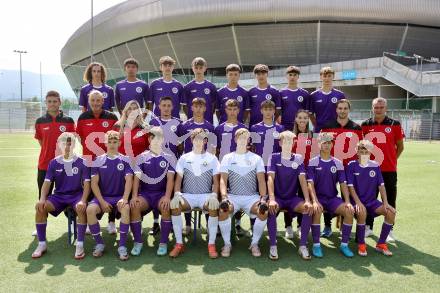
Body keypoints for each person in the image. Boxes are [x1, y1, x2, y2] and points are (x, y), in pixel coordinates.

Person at [31, 132, 90, 259]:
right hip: (59, 197)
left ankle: (80, 244)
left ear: (74, 145)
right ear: (59, 145)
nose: (67, 146)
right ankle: (42, 244)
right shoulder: (53, 162)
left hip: (76, 196)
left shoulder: (82, 162)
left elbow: (87, 185)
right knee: (40, 207)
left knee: (81, 208)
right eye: (64, 143)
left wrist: (83, 201)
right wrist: (42, 199)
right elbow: (47, 183)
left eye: (70, 143)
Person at [169, 128, 222, 258]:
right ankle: (179, 244)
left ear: (205, 141)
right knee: (175, 206)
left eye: (202, 138)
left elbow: (216, 181)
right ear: (192, 140)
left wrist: (214, 195)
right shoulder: (184, 158)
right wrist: (177, 194)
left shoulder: (212, 159)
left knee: (214, 207)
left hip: (206, 195)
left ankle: (211, 244)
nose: (199, 141)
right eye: (196, 138)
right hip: (188, 196)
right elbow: (178, 180)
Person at [219, 128, 268, 257]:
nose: (242, 140)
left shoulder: (256, 158)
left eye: (245, 137)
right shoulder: (227, 157)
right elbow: (223, 181)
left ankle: (254, 244)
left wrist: (263, 199)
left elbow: (262, 181)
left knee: (263, 212)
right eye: (240, 137)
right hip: (233, 197)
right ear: (235, 139)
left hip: (251, 197)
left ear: (248, 140)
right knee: (223, 211)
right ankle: (227, 244)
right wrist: (224, 197)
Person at [361, 97, 404, 241]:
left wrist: (392, 160)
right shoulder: (365, 124)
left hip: (388, 169)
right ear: (372, 108)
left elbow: (400, 146)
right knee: (369, 197)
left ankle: (389, 229)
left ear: (386, 108)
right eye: (376, 107)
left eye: (381, 107)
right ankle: (368, 226)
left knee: (391, 198)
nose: (378, 109)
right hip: (369, 169)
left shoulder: (394, 124)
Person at [306, 132, 355, 258]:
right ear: (319, 145)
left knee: (349, 211)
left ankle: (344, 245)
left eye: (329, 143)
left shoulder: (337, 162)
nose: (327, 145)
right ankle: (316, 245)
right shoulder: (313, 162)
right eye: (324, 143)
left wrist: (348, 201)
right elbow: (310, 183)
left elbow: (343, 183)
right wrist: (315, 201)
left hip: (333, 198)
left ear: (332, 144)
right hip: (319, 199)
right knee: (316, 210)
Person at [266, 131, 314, 260]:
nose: (288, 144)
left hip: (292, 198)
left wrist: (308, 200)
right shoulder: (274, 157)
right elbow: (270, 178)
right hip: (277, 197)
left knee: (307, 208)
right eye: (285, 141)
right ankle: (273, 245)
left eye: (290, 141)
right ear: (280, 143)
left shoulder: (298, 158)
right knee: (271, 208)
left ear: (293, 143)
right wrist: (271, 199)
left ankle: (303, 245)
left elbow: (303, 180)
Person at [86, 130, 133, 260]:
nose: (112, 144)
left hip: (119, 197)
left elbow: (129, 180)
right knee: (90, 210)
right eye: (109, 142)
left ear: (119, 142)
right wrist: (101, 202)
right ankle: (99, 243)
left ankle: (122, 245)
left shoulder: (125, 160)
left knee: (126, 208)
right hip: (102, 197)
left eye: (115, 142)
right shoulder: (98, 160)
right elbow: (94, 184)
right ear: (105, 143)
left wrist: (124, 198)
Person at [76, 90, 119, 234]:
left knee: (112, 189)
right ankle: (90, 221)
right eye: (93, 100)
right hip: (89, 161)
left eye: (98, 100)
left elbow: (115, 137)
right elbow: (81, 138)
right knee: (88, 189)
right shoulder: (82, 117)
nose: (95, 103)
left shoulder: (111, 117)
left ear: (103, 101)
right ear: (89, 102)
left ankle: (112, 222)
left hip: (109, 160)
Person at [129, 127, 176, 256]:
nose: (155, 140)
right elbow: (136, 179)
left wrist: (167, 197)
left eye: (159, 137)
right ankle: (138, 242)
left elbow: (170, 179)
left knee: (166, 207)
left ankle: (163, 243)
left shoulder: (169, 156)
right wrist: (134, 196)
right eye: (153, 137)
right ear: (149, 139)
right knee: (135, 206)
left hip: (161, 194)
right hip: (145, 194)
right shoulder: (142, 157)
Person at [320, 99, 363, 237]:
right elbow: (319, 143)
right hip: (330, 166)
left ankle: (345, 226)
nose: (342, 111)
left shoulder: (356, 127)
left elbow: (360, 149)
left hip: (349, 168)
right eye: (340, 108)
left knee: (348, 195)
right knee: (327, 194)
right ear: (336, 110)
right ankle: (327, 226)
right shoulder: (328, 125)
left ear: (349, 110)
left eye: (345, 108)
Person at [346, 140, 396, 256]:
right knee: (362, 212)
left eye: (366, 151)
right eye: (361, 150)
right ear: (357, 152)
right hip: (356, 201)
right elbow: (350, 187)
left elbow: (381, 186)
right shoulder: (351, 165)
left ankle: (381, 244)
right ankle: (362, 245)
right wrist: (358, 203)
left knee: (390, 213)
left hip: (372, 202)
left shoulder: (375, 165)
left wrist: (386, 203)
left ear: (370, 152)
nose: (363, 153)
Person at [34, 90, 75, 201]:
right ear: (46, 103)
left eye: (55, 101)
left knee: (69, 197)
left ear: (59, 102)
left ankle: (70, 218)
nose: (52, 104)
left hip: (65, 164)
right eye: (49, 101)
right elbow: (42, 142)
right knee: (43, 198)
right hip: (45, 165)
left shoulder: (69, 121)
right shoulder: (40, 121)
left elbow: (71, 142)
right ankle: (44, 219)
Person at [309, 67, 345, 133]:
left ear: (333, 76)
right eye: (325, 76)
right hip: (319, 130)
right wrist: (317, 125)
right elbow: (311, 114)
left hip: (335, 130)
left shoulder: (340, 95)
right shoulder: (313, 95)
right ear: (321, 77)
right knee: (319, 144)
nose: (327, 79)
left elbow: (344, 112)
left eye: (329, 76)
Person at [183, 57, 218, 124]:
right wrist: (193, 117)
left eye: (201, 68)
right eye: (196, 68)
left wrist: (208, 115)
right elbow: (185, 106)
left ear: (205, 68)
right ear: (192, 68)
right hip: (192, 123)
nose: (198, 70)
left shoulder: (211, 86)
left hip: (208, 122)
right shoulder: (187, 87)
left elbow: (213, 105)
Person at [250, 100, 284, 167]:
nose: (268, 112)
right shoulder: (255, 128)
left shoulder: (280, 128)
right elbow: (253, 147)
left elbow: (282, 148)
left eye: (270, 109)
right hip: (260, 163)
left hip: (275, 164)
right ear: (261, 111)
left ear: (274, 111)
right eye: (265, 109)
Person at [279, 66, 310, 131]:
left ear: (298, 76)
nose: (292, 77)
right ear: (286, 76)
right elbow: (277, 112)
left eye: (295, 75)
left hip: (301, 127)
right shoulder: (281, 93)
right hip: (285, 127)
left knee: (301, 141)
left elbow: (307, 113)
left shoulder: (305, 93)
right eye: (290, 75)